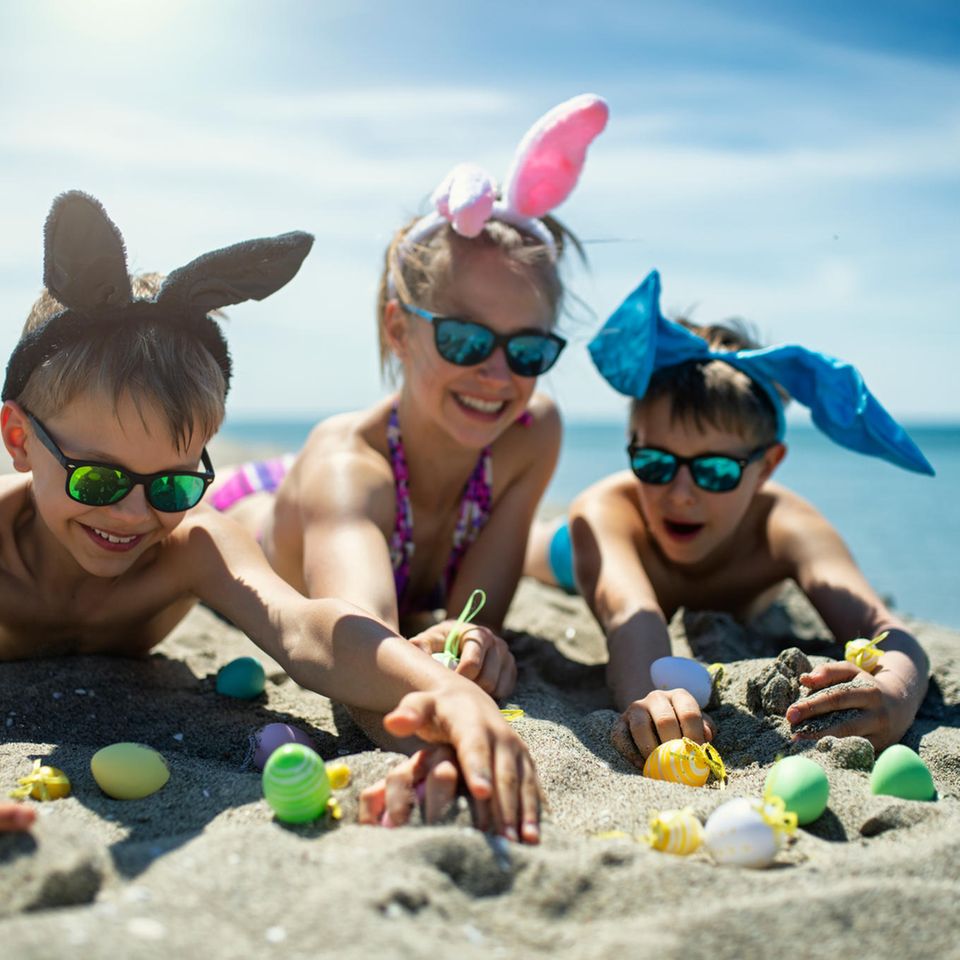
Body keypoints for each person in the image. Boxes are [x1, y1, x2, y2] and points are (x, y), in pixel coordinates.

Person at [0, 191, 540, 843]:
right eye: (100, 478)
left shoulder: (188, 542)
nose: (135, 512)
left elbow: (305, 628)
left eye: (171, 483)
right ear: (20, 439)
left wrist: (445, 691)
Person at [212, 94, 608, 712]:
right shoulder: (349, 469)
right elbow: (357, 644)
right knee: (249, 507)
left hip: (364, 497)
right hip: (268, 503)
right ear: (400, 330)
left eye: (528, 349)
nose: (497, 373)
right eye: (465, 339)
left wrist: (463, 638)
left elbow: (474, 615)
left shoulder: (531, 432)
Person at [530, 269, 934, 766]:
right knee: (533, 548)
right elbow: (630, 616)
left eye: (716, 471)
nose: (680, 495)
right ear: (631, 447)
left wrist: (894, 691)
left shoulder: (784, 526)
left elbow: (885, 628)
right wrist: (648, 693)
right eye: (655, 463)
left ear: (767, 465)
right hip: (583, 555)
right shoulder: (608, 510)